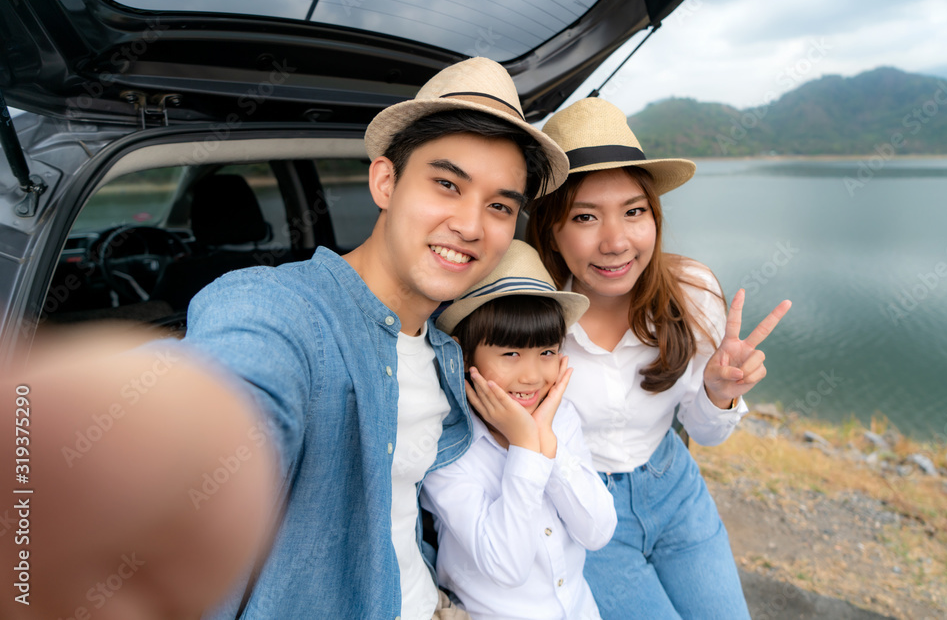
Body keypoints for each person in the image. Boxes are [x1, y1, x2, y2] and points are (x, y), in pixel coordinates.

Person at [0, 58, 569, 620]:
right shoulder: (274, 306)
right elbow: (233, 400)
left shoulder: (449, 352)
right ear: (385, 182)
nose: (471, 225)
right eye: (447, 184)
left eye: (499, 206)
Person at [526, 97, 792, 619]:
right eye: (585, 216)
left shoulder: (691, 292)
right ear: (553, 231)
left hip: (674, 487)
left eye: (634, 211)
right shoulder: (530, 318)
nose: (616, 241)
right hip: (583, 511)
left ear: (655, 216)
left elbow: (707, 433)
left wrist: (718, 393)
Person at [421, 240, 616, 620]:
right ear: (463, 354)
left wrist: (546, 441)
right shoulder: (446, 447)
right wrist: (527, 446)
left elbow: (598, 532)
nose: (531, 376)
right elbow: (507, 567)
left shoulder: (560, 418)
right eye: (510, 353)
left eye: (546, 352)